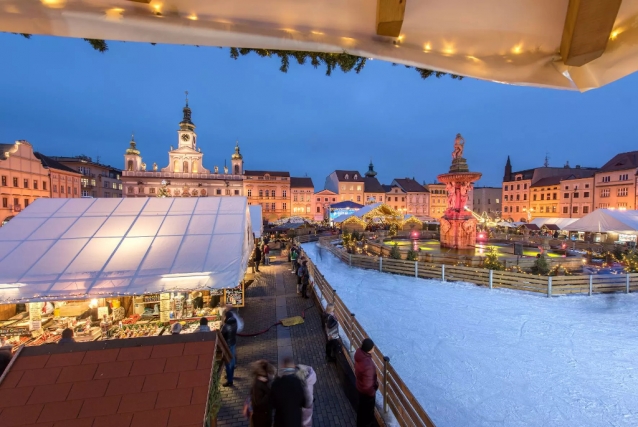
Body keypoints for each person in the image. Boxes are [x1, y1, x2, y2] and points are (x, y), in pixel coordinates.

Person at [270, 357, 307, 427]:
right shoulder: (297, 382)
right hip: (295, 421)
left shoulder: (276, 384)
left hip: (281, 422)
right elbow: (304, 402)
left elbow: (272, 404)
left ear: (283, 367)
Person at [355, 338, 378, 427]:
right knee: (367, 417)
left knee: (361, 412)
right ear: (369, 349)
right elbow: (368, 386)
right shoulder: (368, 365)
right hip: (367, 395)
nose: (374, 348)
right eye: (372, 347)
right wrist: (373, 392)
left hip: (360, 387)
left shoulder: (359, 355)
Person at [250, 359, 276, 427]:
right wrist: (269, 392)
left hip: (265, 416)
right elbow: (259, 403)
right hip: (261, 419)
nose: (272, 376)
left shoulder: (263, 381)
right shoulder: (258, 385)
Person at [221, 311, 238, 387]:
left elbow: (222, 335)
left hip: (227, 345)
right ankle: (231, 375)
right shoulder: (235, 322)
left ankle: (229, 380)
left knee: (228, 363)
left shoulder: (226, 326)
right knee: (233, 360)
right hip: (233, 343)